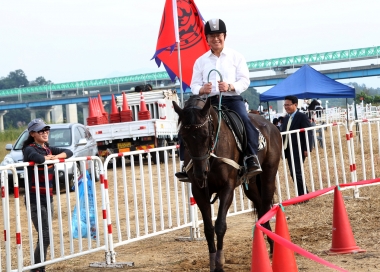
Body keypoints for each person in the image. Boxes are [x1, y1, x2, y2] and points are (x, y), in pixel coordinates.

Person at [175, 18, 262, 181]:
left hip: (232, 100)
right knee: (187, 126)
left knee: (245, 121)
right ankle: (185, 165)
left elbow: (245, 81)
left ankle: (251, 158)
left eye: (219, 35)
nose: (216, 38)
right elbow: (193, 85)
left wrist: (229, 86)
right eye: (212, 36)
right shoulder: (200, 61)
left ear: (225, 36)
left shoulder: (236, 57)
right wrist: (201, 89)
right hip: (208, 103)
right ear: (206, 39)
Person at [23, 119, 73, 272]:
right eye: (41, 131)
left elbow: (69, 152)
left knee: (45, 236)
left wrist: (54, 157)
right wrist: (49, 158)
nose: (45, 133)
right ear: (32, 134)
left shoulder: (48, 148)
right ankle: (38, 269)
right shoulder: (29, 148)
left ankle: (38, 268)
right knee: (45, 236)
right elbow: (37, 159)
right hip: (34, 199)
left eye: (46, 130)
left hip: (48, 198)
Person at [281, 96, 313, 197]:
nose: (286, 107)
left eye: (288, 105)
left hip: (298, 149)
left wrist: (307, 148)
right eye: (285, 105)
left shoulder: (302, 116)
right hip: (288, 149)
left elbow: (309, 132)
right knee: (293, 173)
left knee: (296, 172)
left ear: (295, 105)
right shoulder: (286, 118)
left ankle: (303, 195)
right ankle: (303, 194)